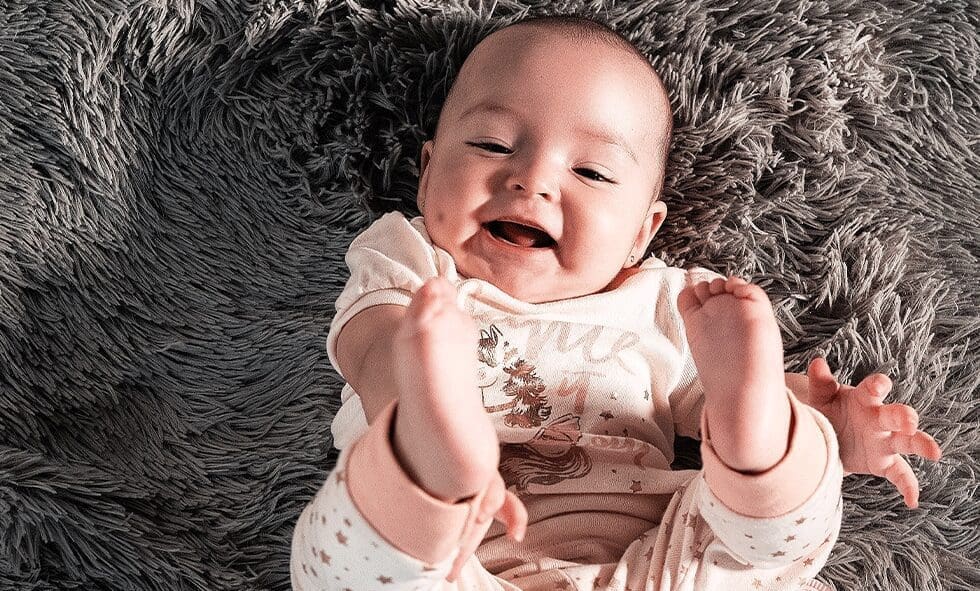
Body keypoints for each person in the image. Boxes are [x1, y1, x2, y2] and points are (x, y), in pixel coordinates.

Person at [290, 15, 941, 591]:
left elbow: (701, 403)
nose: (533, 178)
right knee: (355, 557)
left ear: (641, 232)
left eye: (592, 172)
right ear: (428, 170)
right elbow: (371, 343)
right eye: (491, 144)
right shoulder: (420, 267)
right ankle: (429, 460)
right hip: (459, 556)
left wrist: (815, 418)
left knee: (764, 546)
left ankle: (768, 447)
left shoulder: (668, 302)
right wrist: (411, 397)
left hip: (658, 559)